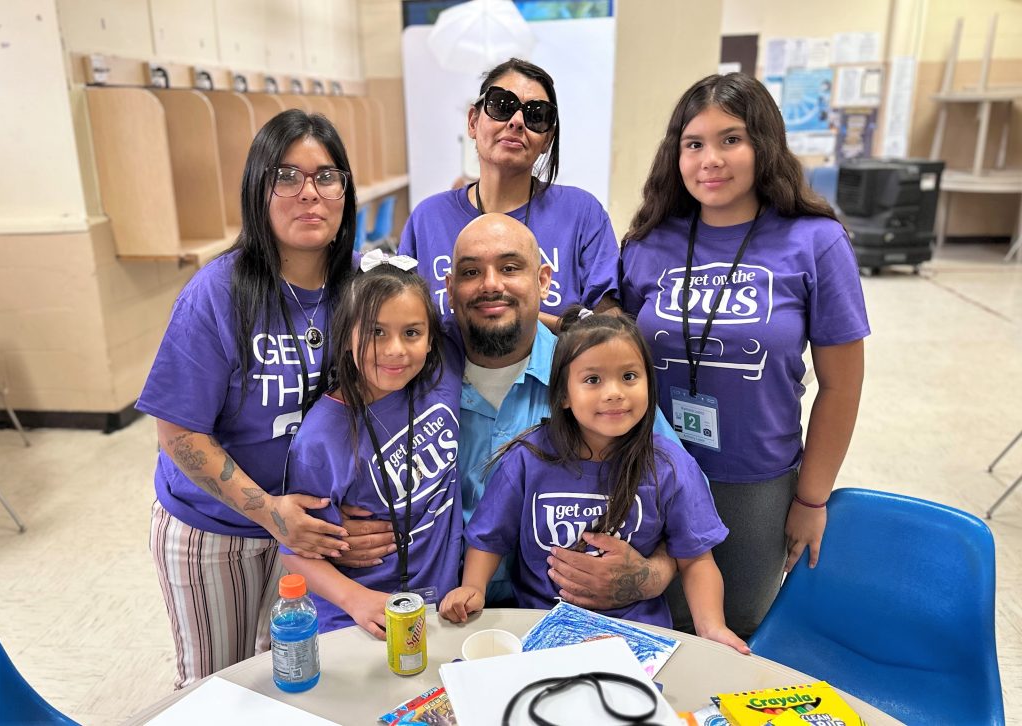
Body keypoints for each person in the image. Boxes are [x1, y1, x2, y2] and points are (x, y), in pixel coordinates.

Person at [620, 73, 869, 638]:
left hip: (754, 484)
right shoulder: (646, 242)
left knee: (736, 635)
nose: (712, 159)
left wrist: (812, 498)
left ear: (765, 145)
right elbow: (616, 352)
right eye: (694, 143)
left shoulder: (816, 241)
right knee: (652, 631)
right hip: (648, 472)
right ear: (675, 154)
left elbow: (842, 386)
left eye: (731, 139)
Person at [341, 214, 679, 611]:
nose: (491, 284)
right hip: (432, 607)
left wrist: (648, 577)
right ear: (449, 290)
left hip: (558, 611)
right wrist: (337, 535)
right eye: (471, 271)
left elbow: (683, 499)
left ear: (543, 280)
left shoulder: (595, 376)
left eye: (510, 267)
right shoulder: (408, 368)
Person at [137, 109, 357, 688]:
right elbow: (178, 434)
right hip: (216, 531)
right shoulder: (218, 292)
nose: (309, 192)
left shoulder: (357, 289)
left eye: (326, 176)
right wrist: (268, 512)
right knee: (218, 690)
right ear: (258, 191)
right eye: (287, 176)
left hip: (308, 531)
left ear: (344, 192)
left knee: (289, 681)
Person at [440, 309, 748, 653]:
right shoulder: (528, 458)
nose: (614, 393)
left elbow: (697, 561)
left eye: (630, 376)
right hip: (540, 632)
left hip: (636, 638)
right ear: (563, 395)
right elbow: (489, 537)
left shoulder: (672, 466)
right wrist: (474, 588)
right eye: (593, 380)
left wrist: (712, 628)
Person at [279, 254, 463, 637]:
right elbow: (295, 552)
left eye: (412, 333)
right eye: (376, 332)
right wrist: (355, 599)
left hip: (444, 609)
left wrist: (571, 321)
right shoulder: (320, 439)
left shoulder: (441, 374)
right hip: (358, 618)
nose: (395, 349)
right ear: (347, 335)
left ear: (432, 339)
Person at [399, 58, 620, 328]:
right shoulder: (428, 219)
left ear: (547, 140)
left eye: (536, 115)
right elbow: (401, 320)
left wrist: (507, 314)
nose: (517, 122)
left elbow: (610, 326)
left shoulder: (582, 214)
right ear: (473, 121)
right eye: (502, 106)